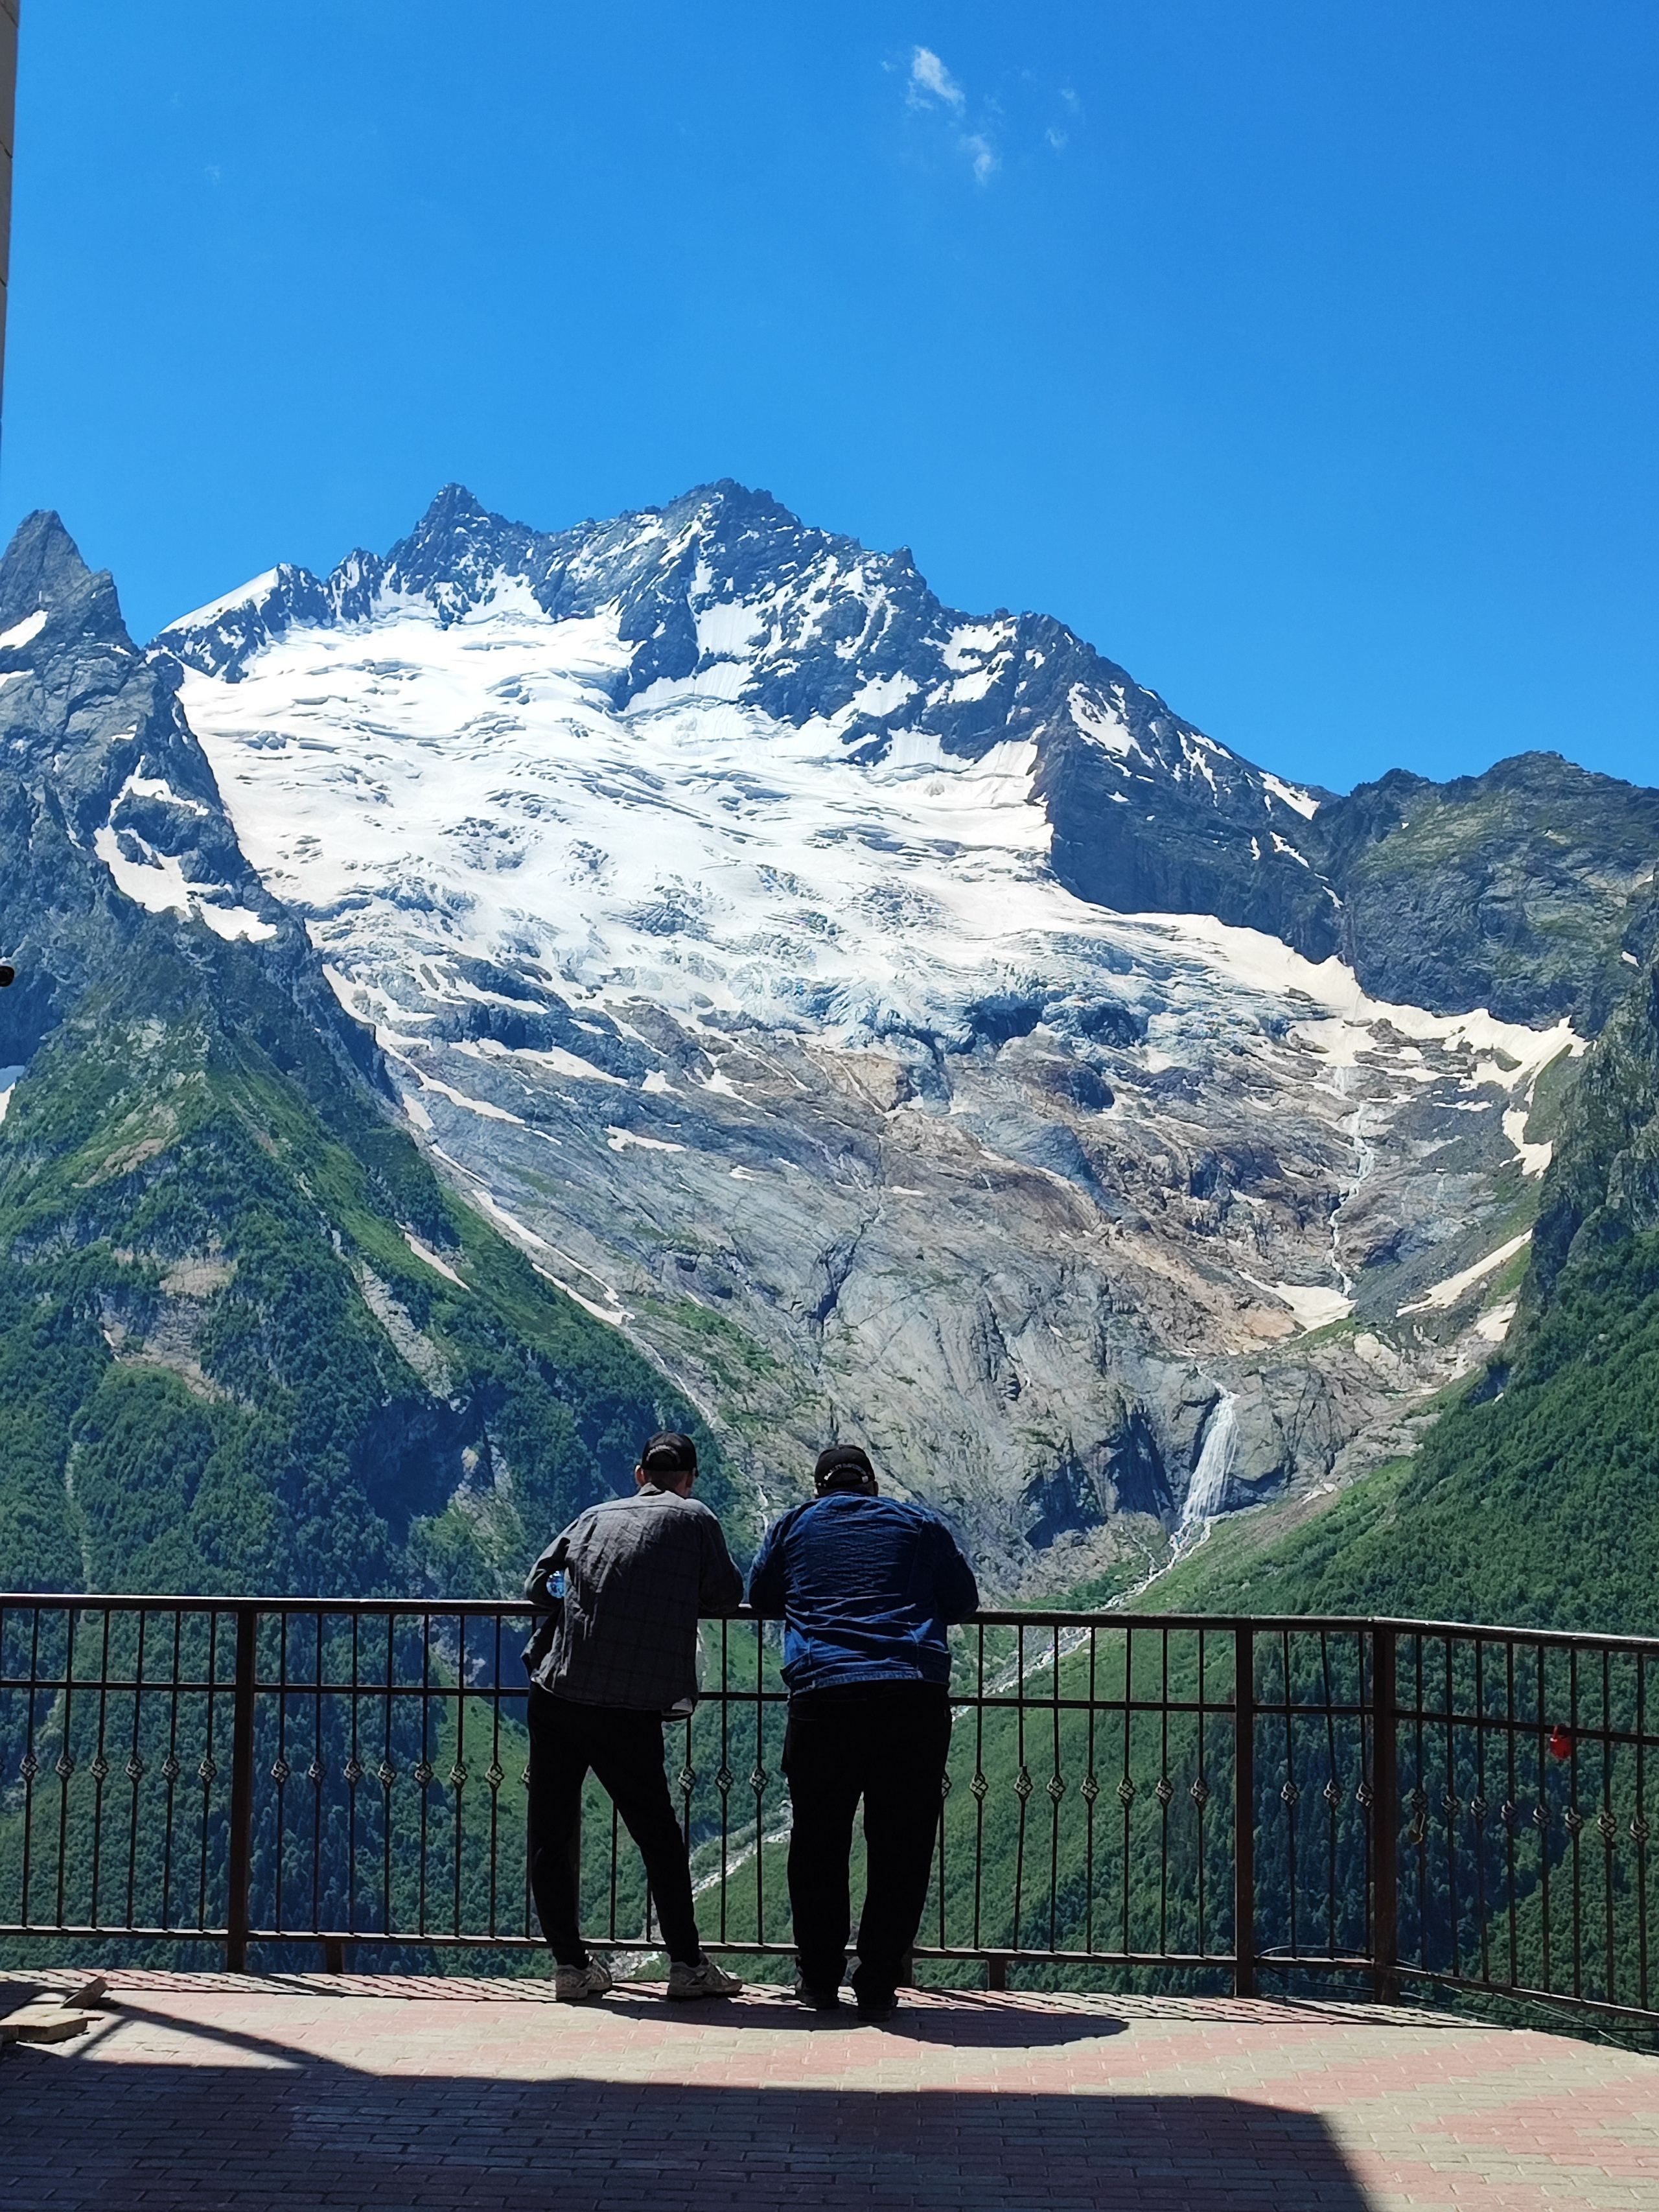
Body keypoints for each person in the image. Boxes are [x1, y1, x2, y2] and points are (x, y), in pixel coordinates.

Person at [745, 1443, 979, 2021]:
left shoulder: (793, 1525)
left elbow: (761, 1595)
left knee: (819, 1839)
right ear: (870, 1485)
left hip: (824, 1693)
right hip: (911, 1692)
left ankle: (819, 1978)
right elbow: (964, 1601)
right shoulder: (917, 1523)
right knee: (901, 1844)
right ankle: (877, 1981)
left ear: (821, 1487)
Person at [524, 1430, 745, 2002]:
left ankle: (571, 1968)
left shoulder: (594, 1515)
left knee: (550, 1831)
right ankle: (687, 1964)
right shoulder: (696, 1519)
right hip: (628, 1704)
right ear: (690, 1478)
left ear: (639, 1473)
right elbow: (726, 1595)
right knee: (658, 1835)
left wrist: (578, 1596)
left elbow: (537, 1586)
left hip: (558, 1691)